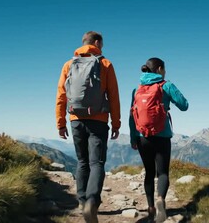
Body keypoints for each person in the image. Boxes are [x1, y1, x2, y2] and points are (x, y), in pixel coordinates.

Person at [56, 31, 121, 223]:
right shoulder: (105, 64)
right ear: (98, 43)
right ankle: (92, 201)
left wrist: (60, 122)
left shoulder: (69, 64)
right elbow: (114, 96)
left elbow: (61, 96)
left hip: (76, 119)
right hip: (99, 120)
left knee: (82, 162)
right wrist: (115, 123)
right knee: (96, 163)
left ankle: (82, 201)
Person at [129, 57, 188, 222]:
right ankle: (161, 199)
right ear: (160, 69)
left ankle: (150, 208)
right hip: (162, 135)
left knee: (148, 172)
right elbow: (184, 105)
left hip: (142, 137)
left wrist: (134, 137)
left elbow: (132, 115)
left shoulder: (137, 90)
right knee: (162, 172)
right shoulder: (166, 85)